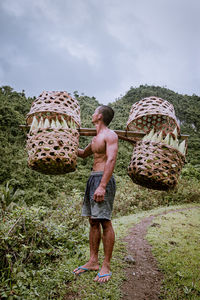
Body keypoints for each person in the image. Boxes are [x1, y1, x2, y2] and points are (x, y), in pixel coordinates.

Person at [73, 105, 118, 283]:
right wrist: (64, 143)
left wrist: (103, 185)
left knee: (105, 221)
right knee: (93, 220)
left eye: (94, 112)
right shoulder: (96, 138)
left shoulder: (110, 135)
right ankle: (93, 261)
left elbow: (111, 159)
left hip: (102, 179)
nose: (91, 114)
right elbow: (83, 154)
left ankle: (106, 265)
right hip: (92, 178)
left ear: (99, 116)